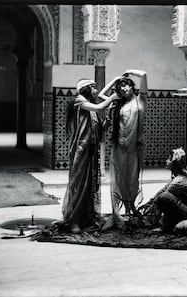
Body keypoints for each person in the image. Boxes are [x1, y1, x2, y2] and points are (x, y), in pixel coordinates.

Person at [62, 78, 120, 233]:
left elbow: (102, 129)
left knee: (89, 186)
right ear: (86, 89)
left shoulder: (91, 110)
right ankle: (74, 220)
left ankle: (86, 217)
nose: (96, 91)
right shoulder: (80, 101)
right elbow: (99, 105)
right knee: (80, 185)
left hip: (91, 151)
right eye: (93, 88)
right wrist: (113, 98)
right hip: (81, 150)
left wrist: (109, 115)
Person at [99, 69, 147, 230]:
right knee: (118, 178)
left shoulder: (141, 100)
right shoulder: (118, 103)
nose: (124, 90)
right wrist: (115, 80)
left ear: (132, 86)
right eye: (121, 88)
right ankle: (116, 212)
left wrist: (129, 72)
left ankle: (131, 207)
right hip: (118, 146)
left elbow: (144, 75)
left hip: (135, 147)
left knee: (132, 178)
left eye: (126, 86)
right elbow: (101, 95)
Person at [138, 148, 187, 232]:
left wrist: (148, 212)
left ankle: (165, 227)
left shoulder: (180, 179)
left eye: (169, 159)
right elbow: (160, 192)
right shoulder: (178, 177)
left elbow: (161, 197)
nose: (166, 161)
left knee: (164, 197)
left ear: (175, 163)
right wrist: (146, 205)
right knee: (163, 196)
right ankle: (157, 222)